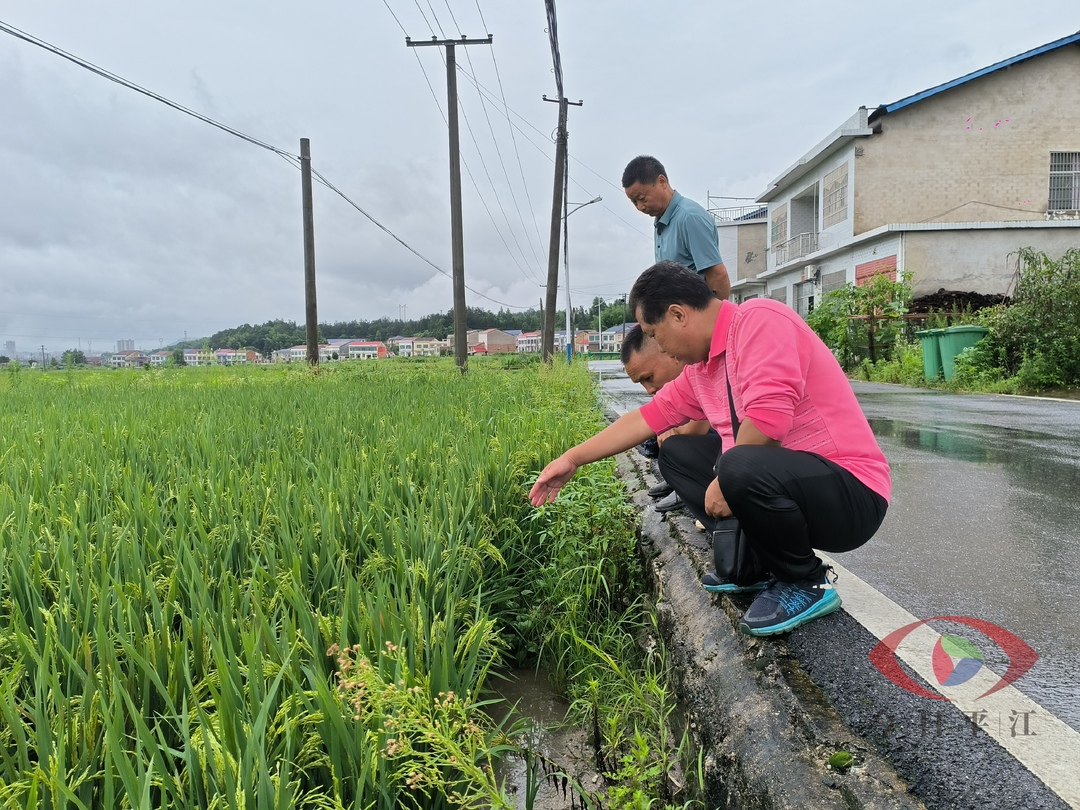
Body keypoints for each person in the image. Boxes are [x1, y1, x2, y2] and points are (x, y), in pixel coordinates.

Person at [531, 261, 890, 636]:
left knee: (734, 466)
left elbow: (769, 421)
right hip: (792, 485)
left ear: (678, 315)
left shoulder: (759, 320)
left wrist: (722, 480)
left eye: (655, 333)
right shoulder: (701, 370)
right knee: (677, 455)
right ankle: (757, 565)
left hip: (851, 494)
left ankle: (806, 582)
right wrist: (571, 459)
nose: (661, 347)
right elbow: (643, 420)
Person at [620, 325, 710, 512]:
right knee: (655, 435)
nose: (649, 389)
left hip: (751, 457)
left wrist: (670, 429)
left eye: (649, 377)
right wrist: (572, 459)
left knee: (675, 446)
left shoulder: (699, 370)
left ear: (668, 351)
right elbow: (641, 421)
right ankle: (680, 481)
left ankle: (691, 485)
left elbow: (695, 431)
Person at [622, 155, 731, 300]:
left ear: (662, 182)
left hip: (696, 316)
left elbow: (718, 275)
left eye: (642, 199)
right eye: (634, 202)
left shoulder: (689, 217)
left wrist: (715, 321)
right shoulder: (662, 219)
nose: (640, 207)